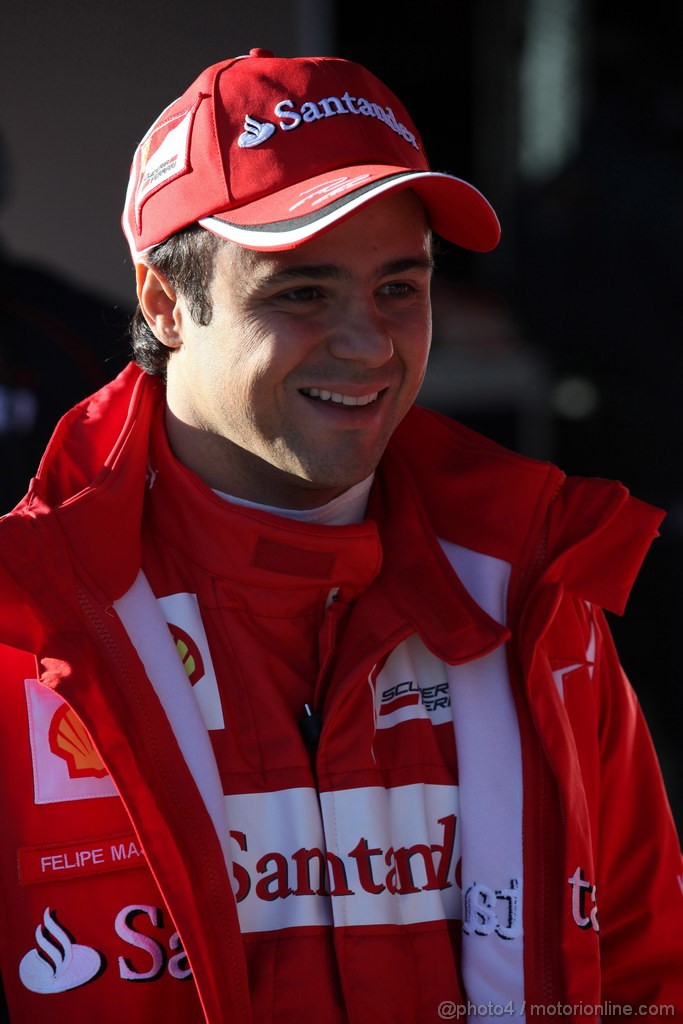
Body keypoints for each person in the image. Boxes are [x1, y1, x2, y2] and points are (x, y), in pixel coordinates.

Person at [0, 49, 680, 1024]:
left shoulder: (539, 601)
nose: (367, 342)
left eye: (398, 288)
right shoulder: (26, 632)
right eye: (301, 292)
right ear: (163, 303)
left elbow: (646, 978)